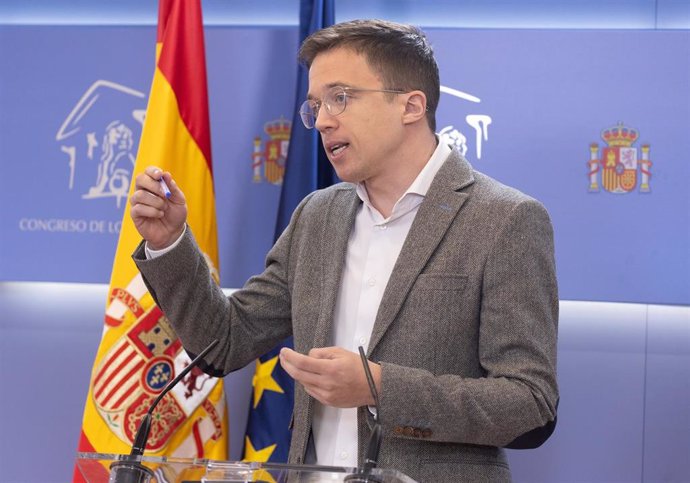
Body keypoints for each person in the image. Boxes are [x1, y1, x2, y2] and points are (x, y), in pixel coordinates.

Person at [130, 19, 558, 482]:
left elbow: (529, 404)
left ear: (411, 105)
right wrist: (168, 241)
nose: (324, 120)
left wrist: (379, 387)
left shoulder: (504, 219)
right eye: (315, 105)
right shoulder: (318, 216)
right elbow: (226, 341)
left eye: (341, 97)